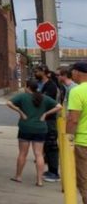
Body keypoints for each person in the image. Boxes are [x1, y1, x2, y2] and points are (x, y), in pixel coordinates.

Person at [7, 80, 62, 186]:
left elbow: (8, 103)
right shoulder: (44, 97)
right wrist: (45, 113)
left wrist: (20, 112)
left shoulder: (23, 97)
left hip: (25, 128)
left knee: (23, 153)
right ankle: (39, 180)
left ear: (27, 87)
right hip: (40, 128)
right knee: (39, 154)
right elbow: (59, 106)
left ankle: (18, 176)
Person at [67, 62, 87, 204]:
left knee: (84, 179)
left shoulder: (77, 91)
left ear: (78, 72)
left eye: (72, 72)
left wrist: (68, 137)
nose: (71, 74)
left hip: (83, 142)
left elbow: (73, 120)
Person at [41, 69, 62, 182]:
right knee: (48, 146)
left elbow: (57, 106)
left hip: (51, 121)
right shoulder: (49, 85)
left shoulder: (51, 86)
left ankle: (54, 173)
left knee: (52, 145)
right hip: (49, 120)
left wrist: (45, 113)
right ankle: (51, 170)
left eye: (38, 71)